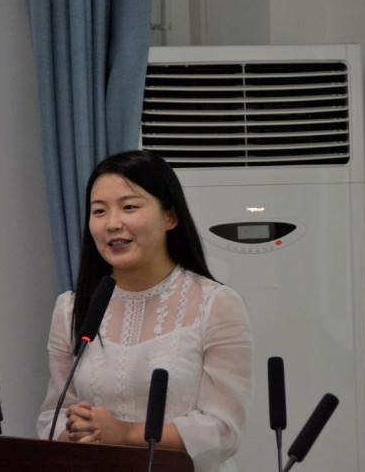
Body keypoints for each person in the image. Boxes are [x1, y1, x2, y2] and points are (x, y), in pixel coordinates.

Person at [37, 150, 253, 472]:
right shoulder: (71, 309)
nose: (113, 224)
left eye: (129, 207)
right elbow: (52, 418)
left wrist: (124, 434)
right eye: (99, 211)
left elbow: (222, 432)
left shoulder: (216, 304)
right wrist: (79, 432)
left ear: (170, 217)